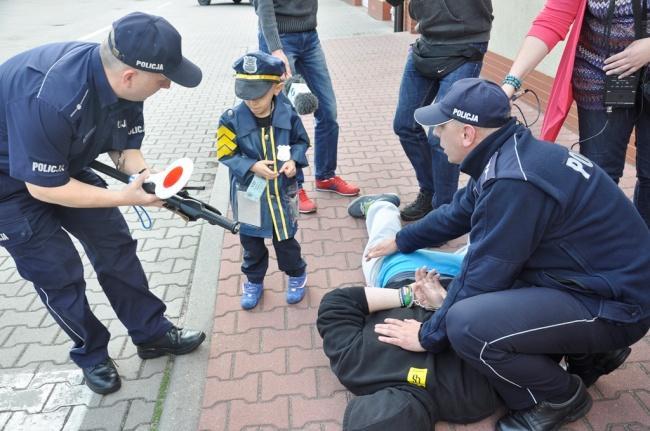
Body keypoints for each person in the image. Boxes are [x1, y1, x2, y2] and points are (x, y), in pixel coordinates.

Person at [364, 77, 650, 430]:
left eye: (441, 127)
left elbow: (482, 277)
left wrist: (428, 336)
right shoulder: (509, 153)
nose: (436, 136)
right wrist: (403, 239)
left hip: (620, 305)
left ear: (468, 133)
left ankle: (557, 398)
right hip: (601, 283)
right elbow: (458, 213)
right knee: (481, 297)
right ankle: (593, 352)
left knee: (467, 324)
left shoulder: (513, 183)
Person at [0, 12, 207, 395]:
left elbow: (125, 148)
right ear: (129, 75)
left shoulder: (124, 86)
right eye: (163, 79)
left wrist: (153, 184)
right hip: (11, 186)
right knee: (58, 273)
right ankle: (93, 354)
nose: (167, 86)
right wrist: (122, 198)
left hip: (65, 167)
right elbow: (43, 189)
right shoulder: (51, 97)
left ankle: (151, 334)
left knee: (116, 246)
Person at [501, 0, 650, 228]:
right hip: (598, 78)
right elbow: (553, 19)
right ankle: (601, 250)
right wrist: (510, 83)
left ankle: (643, 250)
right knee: (599, 176)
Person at [317, 284, 501, 431]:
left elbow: (336, 303)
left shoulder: (353, 365)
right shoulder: (469, 401)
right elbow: (504, 334)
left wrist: (409, 293)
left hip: (396, 276)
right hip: (465, 283)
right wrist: (444, 305)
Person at [216, 51, 309, 310]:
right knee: (251, 242)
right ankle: (254, 281)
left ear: (277, 88)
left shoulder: (288, 115)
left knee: (286, 240)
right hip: (249, 191)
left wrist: (294, 161)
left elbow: (301, 141)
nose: (251, 101)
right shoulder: (230, 119)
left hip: (281, 190)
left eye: (258, 95)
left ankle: (296, 275)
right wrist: (252, 165)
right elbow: (225, 153)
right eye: (245, 95)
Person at [385, 0, 493, 221]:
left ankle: (444, 213)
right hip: (427, 43)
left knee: (441, 136)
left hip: (466, 44)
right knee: (405, 125)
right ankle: (430, 192)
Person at [253, 0, 360, 215]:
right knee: (286, 117)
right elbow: (263, 6)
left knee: (328, 110)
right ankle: (294, 186)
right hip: (279, 41)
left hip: (310, 37)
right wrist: (275, 48)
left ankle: (326, 175)